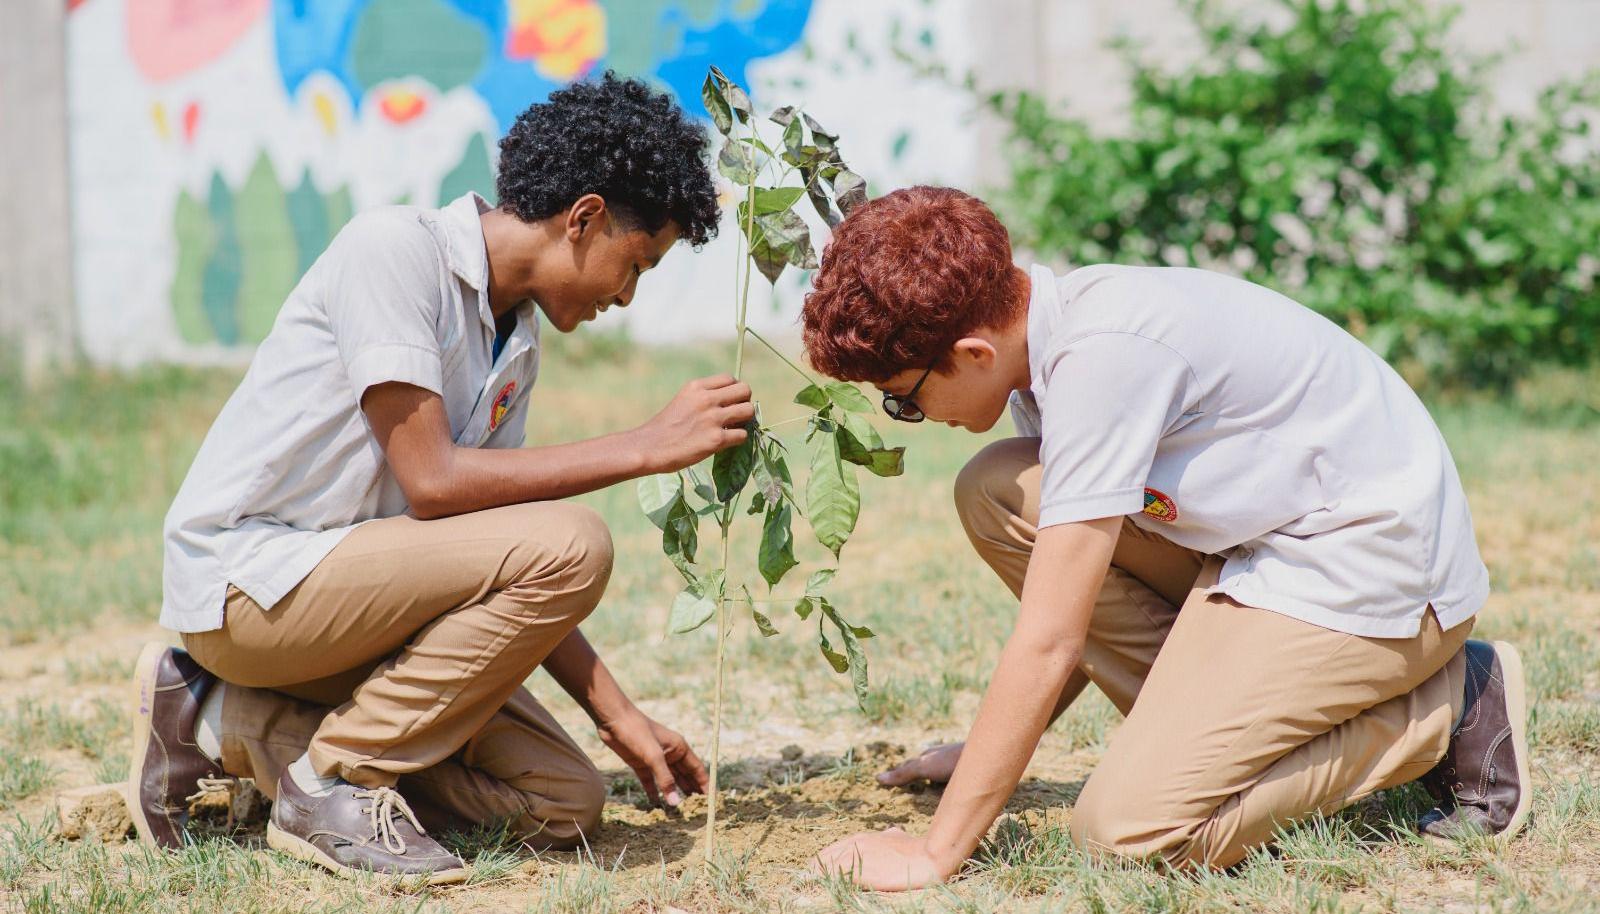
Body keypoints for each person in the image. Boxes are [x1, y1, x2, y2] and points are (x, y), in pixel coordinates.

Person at [800, 186, 1530, 890]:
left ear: (973, 353)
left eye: (905, 398)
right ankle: (1207, 740)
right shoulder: (1047, 350)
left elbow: (1052, 636)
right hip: (1266, 547)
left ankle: (1447, 704)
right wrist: (987, 761)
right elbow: (1078, 593)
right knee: (998, 489)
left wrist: (937, 850)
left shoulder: (1104, 360)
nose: (909, 413)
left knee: (1128, 834)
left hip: (1370, 572)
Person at [127, 74, 752, 885]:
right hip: (253, 592)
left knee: (562, 800)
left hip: (354, 615)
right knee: (575, 538)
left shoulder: (515, 336)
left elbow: (499, 551)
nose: (628, 296)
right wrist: (645, 445)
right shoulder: (394, 250)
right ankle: (336, 780)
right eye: (636, 264)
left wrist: (618, 716)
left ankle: (217, 720)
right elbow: (433, 483)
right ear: (585, 217)